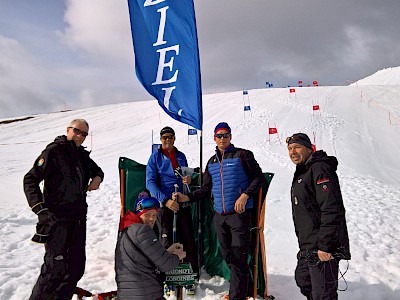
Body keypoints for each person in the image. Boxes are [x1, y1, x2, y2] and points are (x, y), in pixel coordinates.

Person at [174, 122, 264, 300]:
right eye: (219, 136)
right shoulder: (212, 162)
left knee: (238, 257)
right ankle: (242, 291)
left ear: (230, 137)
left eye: (225, 135)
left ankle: (236, 296)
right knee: (229, 257)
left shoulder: (242, 155)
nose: (222, 138)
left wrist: (245, 195)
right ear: (214, 139)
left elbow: (258, 178)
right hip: (219, 217)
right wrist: (188, 198)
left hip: (239, 216)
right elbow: (206, 189)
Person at [23, 119, 104, 300]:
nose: (80, 136)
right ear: (68, 130)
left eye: (84, 134)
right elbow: (30, 179)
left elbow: (97, 170)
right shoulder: (54, 151)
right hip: (57, 220)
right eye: (77, 131)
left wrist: (97, 178)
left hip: (78, 219)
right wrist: (40, 210)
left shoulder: (81, 155)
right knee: (54, 269)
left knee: (75, 268)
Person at [286, 133, 351, 300]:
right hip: (308, 244)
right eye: (290, 148)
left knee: (323, 294)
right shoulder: (303, 171)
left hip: (322, 247)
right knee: (303, 280)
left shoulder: (320, 169)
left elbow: (331, 208)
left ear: (309, 149)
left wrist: (326, 246)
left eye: (297, 147)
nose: (293, 151)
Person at [146, 126, 198, 294]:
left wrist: (187, 179)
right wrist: (165, 200)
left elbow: (185, 175)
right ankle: (166, 277)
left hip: (181, 202)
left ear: (174, 138)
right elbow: (150, 182)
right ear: (161, 140)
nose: (167, 140)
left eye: (170, 137)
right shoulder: (155, 157)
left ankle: (188, 275)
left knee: (187, 239)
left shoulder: (180, 156)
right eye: (164, 138)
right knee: (166, 240)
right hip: (165, 204)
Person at [115, 193, 186, 300]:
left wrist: (168, 251)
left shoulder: (126, 230)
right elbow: (166, 265)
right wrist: (177, 256)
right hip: (147, 294)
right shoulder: (143, 230)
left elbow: (145, 258)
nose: (152, 219)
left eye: (154, 215)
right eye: (147, 215)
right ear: (139, 214)